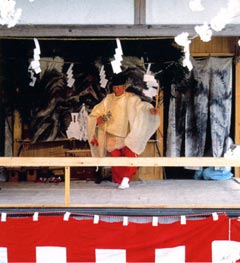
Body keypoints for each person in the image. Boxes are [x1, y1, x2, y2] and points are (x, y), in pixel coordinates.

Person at [87, 73, 160, 189]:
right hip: (112, 135)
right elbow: (96, 113)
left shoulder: (131, 98)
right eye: (114, 87)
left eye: (119, 87)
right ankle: (120, 181)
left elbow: (142, 107)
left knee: (131, 157)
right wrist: (98, 119)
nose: (117, 89)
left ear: (124, 87)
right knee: (116, 161)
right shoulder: (108, 99)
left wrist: (150, 110)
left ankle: (126, 179)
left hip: (128, 134)